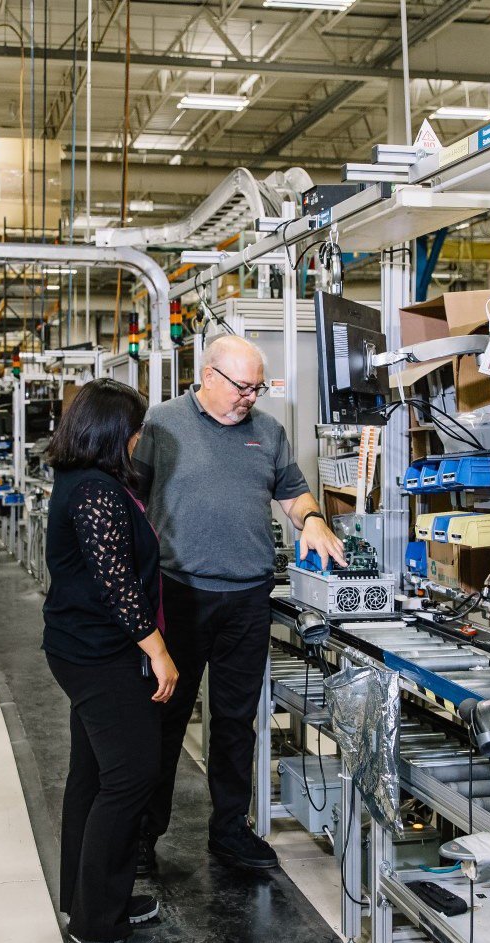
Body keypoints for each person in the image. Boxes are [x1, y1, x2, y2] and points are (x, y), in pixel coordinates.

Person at [132, 335, 346, 873]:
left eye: (258, 388)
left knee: (235, 723)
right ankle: (140, 836)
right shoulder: (161, 424)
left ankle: (229, 831)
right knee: (164, 720)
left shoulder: (267, 432)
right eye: (242, 387)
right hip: (178, 595)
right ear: (208, 376)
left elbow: (294, 492)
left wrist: (313, 520)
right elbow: (132, 497)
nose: (251, 397)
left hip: (247, 599)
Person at [42, 378, 179, 943]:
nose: (138, 437)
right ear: (112, 432)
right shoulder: (96, 492)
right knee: (131, 776)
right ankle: (96, 929)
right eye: (134, 428)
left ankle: (90, 896)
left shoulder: (78, 479)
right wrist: (158, 650)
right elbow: (117, 585)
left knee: (93, 775)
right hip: (101, 653)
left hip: (79, 646)